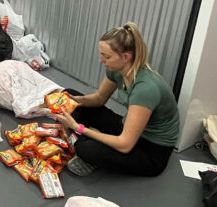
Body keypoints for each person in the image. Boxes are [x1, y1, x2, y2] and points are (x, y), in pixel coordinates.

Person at [54, 22, 179, 177]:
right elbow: (99, 98)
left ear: (126, 57)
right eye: (101, 54)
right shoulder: (117, 70)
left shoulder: (145, 89)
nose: (102, 60)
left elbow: (125, 145)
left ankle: (89, 143)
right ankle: (93, 139)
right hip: (127, 127)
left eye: (106, 56)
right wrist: (72, 99)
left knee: (85, 148)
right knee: (68, 95)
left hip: (151, 150)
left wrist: (78, 128)